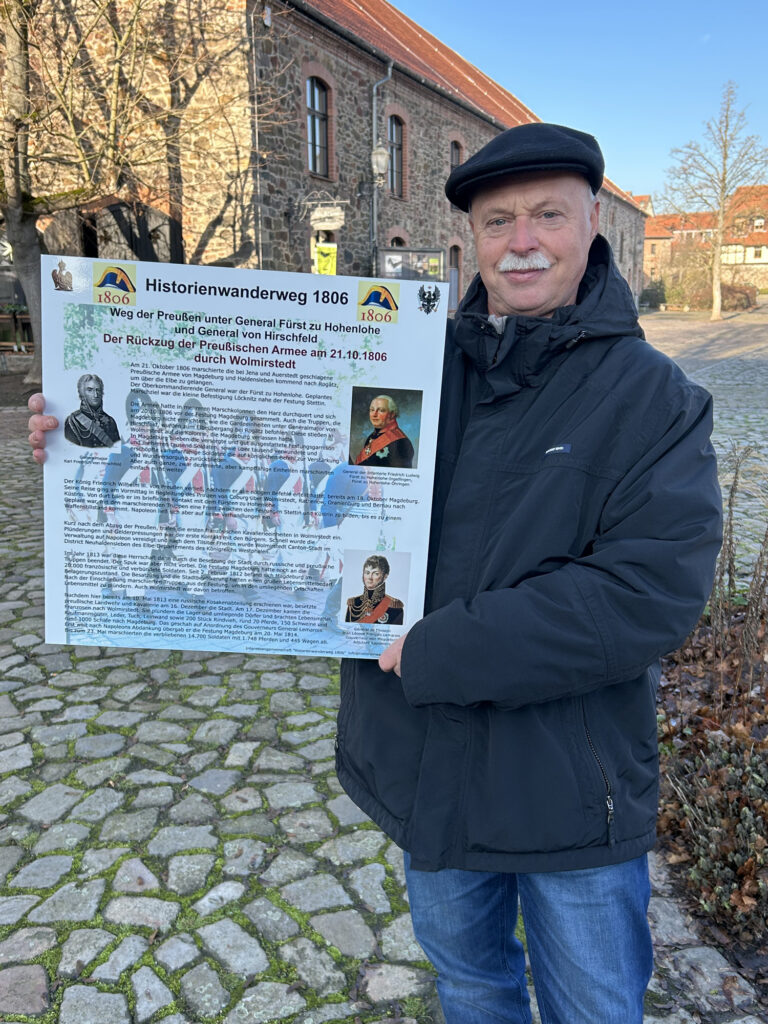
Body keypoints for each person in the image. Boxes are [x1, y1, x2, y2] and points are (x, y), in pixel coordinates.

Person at [28, 123, 723, 1024]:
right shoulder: (402, 364)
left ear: (593, 223)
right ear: (471, 238)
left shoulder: (657, 400)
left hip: (566, 787)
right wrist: (95, 435)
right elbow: (277, 463)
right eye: (498, 219)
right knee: (471, 986)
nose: (522, 241)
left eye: (548, 215)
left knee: (594, 1007)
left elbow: (645, 596)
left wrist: (442, 651)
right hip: (422, 764)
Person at [351, 394, 415, 468]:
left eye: (381, 410)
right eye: (372, 410)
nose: (374, 414)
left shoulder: (401, 442)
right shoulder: (371, 437)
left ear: (392, 414)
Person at [64, 373, 120, 448]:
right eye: (90, 390)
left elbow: (116, 448)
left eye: (98, 390)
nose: (95, 395)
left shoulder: (110, 421)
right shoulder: (73, 421)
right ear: (82, 393)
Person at [345, 554, 404, 624]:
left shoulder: (394, 606)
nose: (369, 577)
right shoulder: (353, 604)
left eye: (375, 573)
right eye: (367, 573)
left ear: (385, 576)